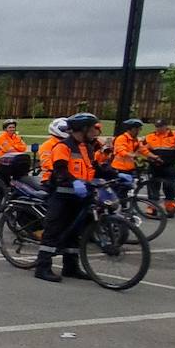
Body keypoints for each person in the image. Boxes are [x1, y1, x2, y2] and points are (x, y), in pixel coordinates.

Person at [35, 112, 106, 282]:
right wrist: (75, 181)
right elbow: (60, 170)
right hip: (62, 195)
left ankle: (71, 267)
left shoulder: (86, 147)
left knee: (75, 232)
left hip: (80, 196)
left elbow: (94, 168)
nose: (95, 132)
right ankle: (42, 267)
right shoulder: (63, 146)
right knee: (53, 231)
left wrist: (115, 174)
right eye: (92, 128)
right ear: (83, 129)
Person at [144, 119, 175, 214]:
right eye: (157, 126)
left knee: (170, 187)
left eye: (160, 126)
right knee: (153, 186)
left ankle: (170, 207)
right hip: (154, 166)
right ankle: (152, 207)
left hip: (169, 166)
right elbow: (142, 149)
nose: (158, 128)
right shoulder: (150, 136)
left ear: (166, 126)